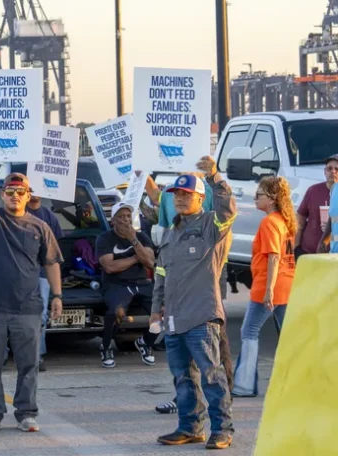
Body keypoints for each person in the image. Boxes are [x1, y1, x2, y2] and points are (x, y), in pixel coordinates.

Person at [0, 159, 64, 434]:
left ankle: (26, 413)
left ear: (29, 196)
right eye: (9, 191)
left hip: (28, 308)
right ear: (2, 194)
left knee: (29, 364)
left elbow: (52, 262)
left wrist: (57, 295)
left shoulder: (41, 227)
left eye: (20, 192)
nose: (14, 196)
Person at [151, 156, 236, 450]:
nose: (182, 199)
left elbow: (227, 207)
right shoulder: (170, 232)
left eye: (188, 195)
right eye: (177, 195)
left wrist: (214, 175)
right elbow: (161, 275)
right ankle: (190, 427)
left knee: (212, 377)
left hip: (201, 316)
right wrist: (154, 311)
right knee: (183, 379)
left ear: (201, 198)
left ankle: (222, 430)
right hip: (174, 319)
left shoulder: (211, 224)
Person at [232, 176, 295, 397]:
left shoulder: (269, 222)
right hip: (286, 283)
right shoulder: (284, 220)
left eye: (259, 194)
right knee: (288, 335)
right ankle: (294, 381)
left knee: (249, 331)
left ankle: (244, 384)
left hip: (270, 284)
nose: (255, 197)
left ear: (272, 198)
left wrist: (268, 289)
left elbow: (273, 257)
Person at [95, 202, 157, 368]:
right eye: (121, 217)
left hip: (142, 283)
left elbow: (150, 262)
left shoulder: (141, 237)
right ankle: (106, 346)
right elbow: (110, 267)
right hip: (116, 284)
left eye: (128, 216)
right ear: (113, 220)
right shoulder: (104, 238)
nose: (125, 220)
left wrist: (133, 240)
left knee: (163, 312)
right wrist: (137, 258)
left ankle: (145, 342)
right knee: (116, 311)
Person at [11, 192, 65, 372]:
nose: (35, 194)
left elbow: (55, 249)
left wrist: (58, 294)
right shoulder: (18, 212)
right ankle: (3, 353)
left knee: (40, 315)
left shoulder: (48, 217)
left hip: (42, 274)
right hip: (18, 273)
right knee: (8, 312)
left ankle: (37, 355)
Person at [296, 154, 338, 258]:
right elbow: (299, 221)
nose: (333, 171)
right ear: (324, 171)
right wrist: (296, 248)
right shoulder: (313, 191)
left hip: (332, 256)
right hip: (309, 252)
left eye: (337, 169)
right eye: (329, 168)